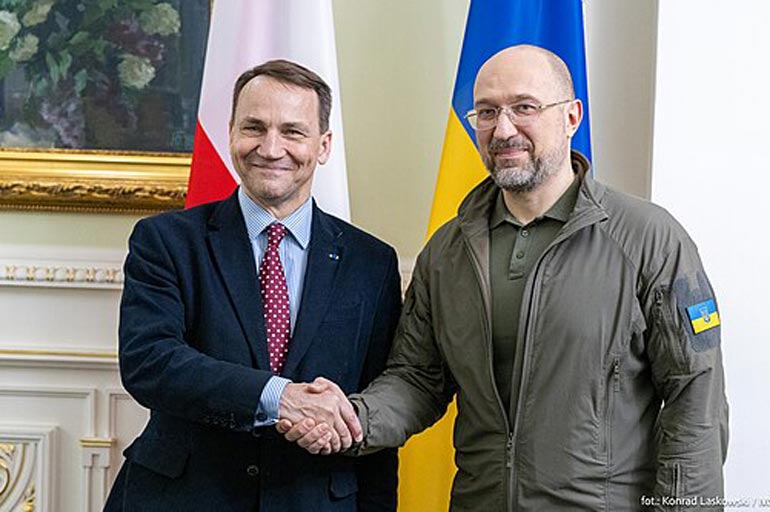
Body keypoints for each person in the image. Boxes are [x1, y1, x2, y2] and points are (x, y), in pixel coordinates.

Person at [279, 45, 729, 511]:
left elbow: (695, 397)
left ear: (571, 117)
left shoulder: (650, 240)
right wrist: (353, 418)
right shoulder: (447, 251)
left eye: (525, 107)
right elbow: (417, 380)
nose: (504, 129)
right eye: (487, 112)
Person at [104, 59, 400, 512]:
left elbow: (374, 407)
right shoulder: (165, 241)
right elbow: (150, 362)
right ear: (231, 134)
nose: (270, 147)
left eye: (293, 132)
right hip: (184, 498)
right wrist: (279, 397)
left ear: (323, 145)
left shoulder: (371, 262)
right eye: (254, 127)